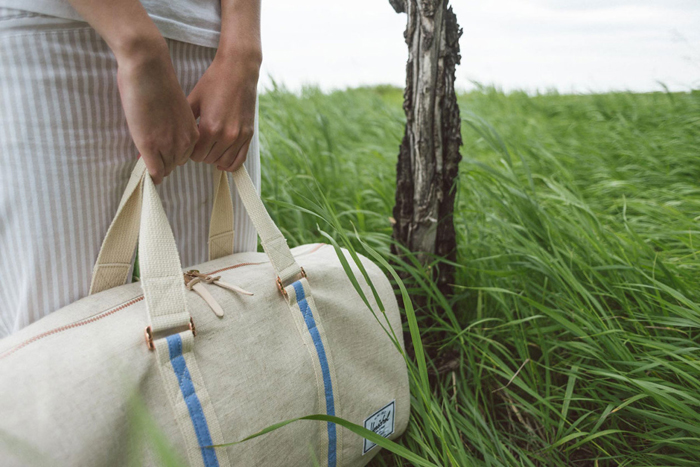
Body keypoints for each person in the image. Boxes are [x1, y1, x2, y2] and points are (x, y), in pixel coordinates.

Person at [0, 0, 262, 337]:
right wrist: (138, 45)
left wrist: (242, 54)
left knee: (234, 322)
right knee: (67, 344)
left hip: (212, 44)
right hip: (59, 28)